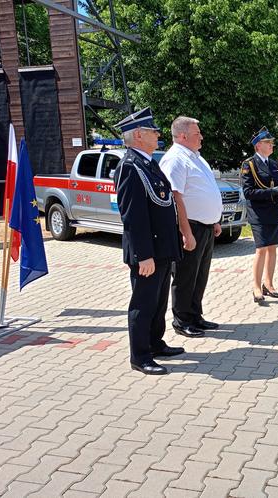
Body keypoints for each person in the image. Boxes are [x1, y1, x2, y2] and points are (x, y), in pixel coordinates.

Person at [113, 107, 184, 375]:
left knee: (158, 301)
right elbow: (133, 217)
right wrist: (144, 255)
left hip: (162, 249)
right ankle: (140, 356)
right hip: (148, 252)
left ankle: (155, 343)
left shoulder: (149, 162)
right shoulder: (130, 167)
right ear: (139, 135)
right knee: (143, 304)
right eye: (153, 131)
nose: (158, 134)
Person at [159, 116, 222, 337]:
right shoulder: (175, 159)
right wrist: (186, 232)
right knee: (185, 276)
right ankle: (182, 320)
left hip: (204, 227)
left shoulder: (195, 157)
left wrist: (213, 220)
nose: (201, 136)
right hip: (190, 228)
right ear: (183, 136)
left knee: (200, 275)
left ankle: (196, 315)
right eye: (197, 133)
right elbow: (176, 199)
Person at [241, 127, 278, 304]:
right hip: (258, 213)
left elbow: (275, 186)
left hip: (274, 211)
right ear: (258, 145)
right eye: (268, 143)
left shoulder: (273, 164)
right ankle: (256, 286)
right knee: (261, 249)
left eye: (271, 142)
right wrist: (271, 192)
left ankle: (269, 284)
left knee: (273, 247)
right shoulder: (249, 164)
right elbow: (248, 192)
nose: (271, 145)